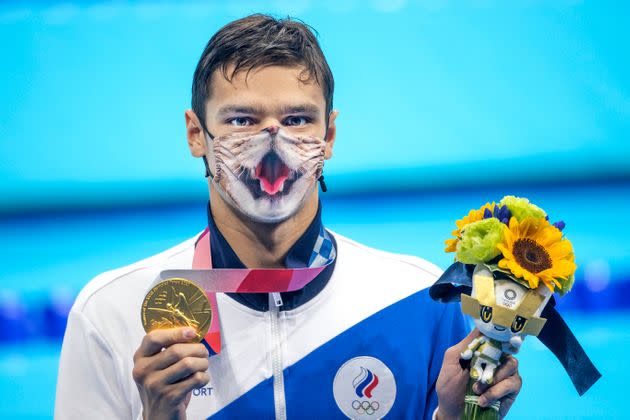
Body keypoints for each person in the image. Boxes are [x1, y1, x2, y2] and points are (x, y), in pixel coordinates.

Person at [55, 14, 522, 420]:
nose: (272, 142)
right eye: (242, 121)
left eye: (297, 119)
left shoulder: (421, 299)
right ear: (196, 134)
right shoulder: (110, 312)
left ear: (331, 134)